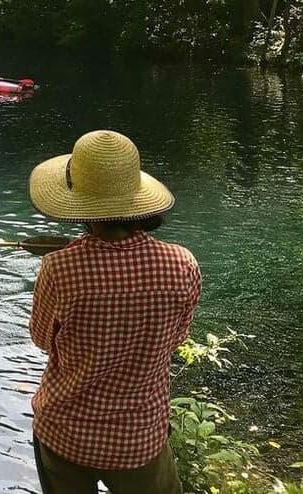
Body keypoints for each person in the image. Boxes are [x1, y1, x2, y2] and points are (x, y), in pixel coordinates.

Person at [26, 130, 201, 494]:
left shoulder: (59, 268)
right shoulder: (182, 264)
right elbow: (177, 337)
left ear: (79, 205)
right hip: (138, 437)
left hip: (65, 433)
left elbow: (43, 340)